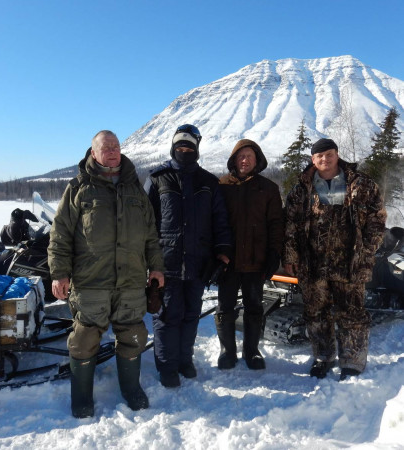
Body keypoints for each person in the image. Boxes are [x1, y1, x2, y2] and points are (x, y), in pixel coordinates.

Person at [48, 130, 164, 417]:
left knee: (133, 335)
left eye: (116, 147)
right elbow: (59, 234)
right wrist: (59, 273)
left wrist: (157, 266)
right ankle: (82, 398)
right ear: (93, 153)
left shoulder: (135, 189)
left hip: (131, 282)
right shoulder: (78, 188)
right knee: (84, 339)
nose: (112, 151)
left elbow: (151, 235)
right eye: (106, 147)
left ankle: (131, 389)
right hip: (90, 282)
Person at [282, 138, 386, 381]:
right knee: (317, 312)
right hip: (313, 263)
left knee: (352, 312)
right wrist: (290, 257)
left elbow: (377, 219)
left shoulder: (362, 184)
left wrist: (367, 249)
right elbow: (289, 225)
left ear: (337, 155)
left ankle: (352, 361)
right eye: (319, 156)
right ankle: (323, 357)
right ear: (312, 159)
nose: (324, 160)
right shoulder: (301, 189)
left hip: (349, 263)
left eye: (329, 154)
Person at [144, 124, 232, 388]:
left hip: (198, 262)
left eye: (189, 147)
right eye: (180, 147)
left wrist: (223, 253)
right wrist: (148, 262)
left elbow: (220, 221)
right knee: (167, 316)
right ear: (173, 147)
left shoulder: (208, 181)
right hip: (165, 263)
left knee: (191, 314)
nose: (184, 151)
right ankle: (167, 367)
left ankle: (185, 360)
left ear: (196, 149)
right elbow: (144, 223)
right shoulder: (157, 178)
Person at [215, 139, 284, 370]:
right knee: (225, 307)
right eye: (241, 156)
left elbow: (276, 224)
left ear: (257, 160)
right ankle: (227, 350)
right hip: (228, 261)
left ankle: (252, 351)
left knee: (254, 306)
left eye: (250, 157)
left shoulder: (269, 188)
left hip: (256, 260)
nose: (245, 160)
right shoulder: (221, 185)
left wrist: (275, 252)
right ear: (234, 159)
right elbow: (212, 221)